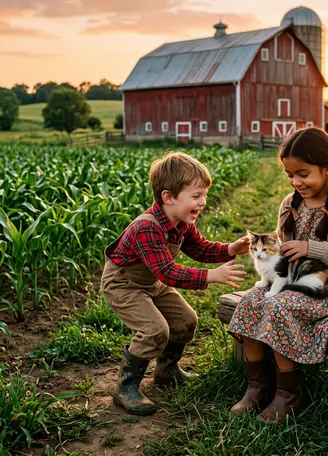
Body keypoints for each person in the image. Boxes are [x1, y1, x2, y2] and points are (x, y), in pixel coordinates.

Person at [228, 127, 328, 424]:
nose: (296, 182)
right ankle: (257, 386)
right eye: (290, 175)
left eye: (303, 174)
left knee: (279, 307)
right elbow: (280, 250)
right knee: (250, 302)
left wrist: (313, 248)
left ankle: (289, 395)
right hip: (292, 282)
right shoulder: (289, 204)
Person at [101, 151, 249, 415]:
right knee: (154, 330)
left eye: (204, 195)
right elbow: (169, 272)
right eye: (196, 196)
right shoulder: (147, 227)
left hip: (153, 282)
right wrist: (211, 276)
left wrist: (229, 248)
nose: (203, 202)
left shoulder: (181, 222)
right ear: (168, 197)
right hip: (124, 284)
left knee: (185, 321)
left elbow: (201, 249)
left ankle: (167, 371)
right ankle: (126, 388)